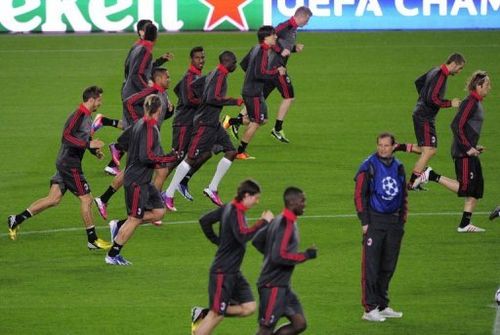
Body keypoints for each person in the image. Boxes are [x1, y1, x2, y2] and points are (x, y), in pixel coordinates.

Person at [7, 86, 112, 250]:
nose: (101, 102)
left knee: (53, 199)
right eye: (99, 99)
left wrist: (93, 151)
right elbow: (66, 137)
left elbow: (84, 139)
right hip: (70, 164)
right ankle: (92, 239)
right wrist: (87, 144)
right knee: (86, 199)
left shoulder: (87, 117)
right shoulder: (78, 115)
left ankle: (16, 219)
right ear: (91, 100)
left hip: (65, 162)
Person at [161, 51, 243, 211]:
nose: (235, 66)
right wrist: (235, 101)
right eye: (234, 63)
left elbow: (193, 87)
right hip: (205, 123)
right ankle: (168, 193)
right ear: (228, 63)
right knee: (190, 158)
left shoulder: (214, 72)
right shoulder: (218, 75)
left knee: (232, 151)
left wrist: (199, 99)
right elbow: (213, 98)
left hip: (213, 123)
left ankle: (212, 188)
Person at [191, 179, 274, 335]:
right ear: (247, 195)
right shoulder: (234, 212)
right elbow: (243, 235)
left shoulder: (229, 207)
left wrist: (218, 241)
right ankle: (211, 313)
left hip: (234, 272)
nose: (257, 202)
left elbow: (205, 221)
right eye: (256, 198)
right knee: (216, 316)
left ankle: (205, 312)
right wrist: (263, 222)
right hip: (222, 271)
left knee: (249, 307)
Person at [413, 71, 492, 233]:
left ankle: (464, 224)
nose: (489, 88)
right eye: (487, 85)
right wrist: (468, 148)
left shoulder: (476, 102)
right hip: (463, 153)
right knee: (465, 188)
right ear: (478, 86)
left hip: (470, 152)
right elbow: (456, 125)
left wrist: (474, 147)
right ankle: (430, 174)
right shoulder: (470, 102)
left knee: (476, 189)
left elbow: (468, 129)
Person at [105, 94, 177, 265]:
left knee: (159, 212)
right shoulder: (150, 129)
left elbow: (122, 140)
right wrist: (169, 158)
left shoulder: (138, 123)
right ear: (159, 110)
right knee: (135, 219)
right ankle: (112, 255)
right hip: (137, 181)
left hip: (143, 180)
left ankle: (119, 225)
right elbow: (147, 157)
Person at [94, 67, 174, 219]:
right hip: (147, 136)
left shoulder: (163, 93)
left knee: (131, 170)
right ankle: (149, 206)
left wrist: (171, 110)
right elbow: (129, 102)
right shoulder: (150, 92)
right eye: (167, 77)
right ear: (158, 79)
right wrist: (137, 124)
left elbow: (164, 114)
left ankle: (103, 199)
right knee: (160, 171)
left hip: (152, 136)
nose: (169, 79)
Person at [225, 6, 312, 144]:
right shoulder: (286, 26)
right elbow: (271, 40)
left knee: (260, 97)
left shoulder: (292, 29)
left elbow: (283, 45)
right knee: (289, 97)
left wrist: (294, 48)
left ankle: (234, 121)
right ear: (301, 16)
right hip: (276, 69)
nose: (307, 23)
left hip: (273, 68)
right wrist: (280, 49)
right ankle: (277, 129)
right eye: (307, 19)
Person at [354, 132, 407, 322]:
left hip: (394, 223)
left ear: (394, 146)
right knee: (371, 266)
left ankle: (382, 304)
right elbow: (359, 195)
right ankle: (369, 309)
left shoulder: (399, 166)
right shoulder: (368, 165)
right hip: (375, 222)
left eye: (386, 145)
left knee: (388, 266)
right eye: (380, 145)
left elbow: (404, 195)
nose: (383, 148)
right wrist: (365, 221)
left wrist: (402, 221)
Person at [91, 19, 173, 137]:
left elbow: (143, 68)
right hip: (133, 91)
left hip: (131, 89)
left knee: (135, 124)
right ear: (141, 32)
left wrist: (160, 60)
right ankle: (118, 147)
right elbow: (134, 71)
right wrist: (147, 90)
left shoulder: (140, 47)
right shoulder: (142, 49)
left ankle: (105, 123)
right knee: (141, 125)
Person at [252, 186, 317, 335]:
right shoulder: (285, 224)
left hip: (283, 286)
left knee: (299, 323)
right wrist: (306, 255)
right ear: (292, 202)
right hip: (272, 285)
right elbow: (279, 256)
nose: (305, 204)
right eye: (302, 200)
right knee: (266, 328)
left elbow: (257, 241)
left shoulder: (278, 220)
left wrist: (269, 254)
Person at [225, 25, 285, 160]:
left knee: (263, 120)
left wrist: (251, 77)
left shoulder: (256, 48)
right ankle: (239, 152)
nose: (275, 36)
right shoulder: (263, 52)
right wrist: (276, 72)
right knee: (257, 121)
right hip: (253, 92)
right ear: (265, 38)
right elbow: (260, 73)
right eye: (273, 35)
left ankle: (231, 121)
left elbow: (244, 64)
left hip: (253, 90)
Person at [408, 53, 466, 190]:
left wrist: (422, 99)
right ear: (454, 64)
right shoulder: (441, 76)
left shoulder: (434, 70)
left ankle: (398, 147)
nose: (459, 71)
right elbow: (433, 99)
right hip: (425, 117)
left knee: (426, 149)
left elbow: (419, 82)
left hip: (421, 113)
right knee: (429, 151)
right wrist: (450, 103)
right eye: (460, 68)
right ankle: (411, 183)